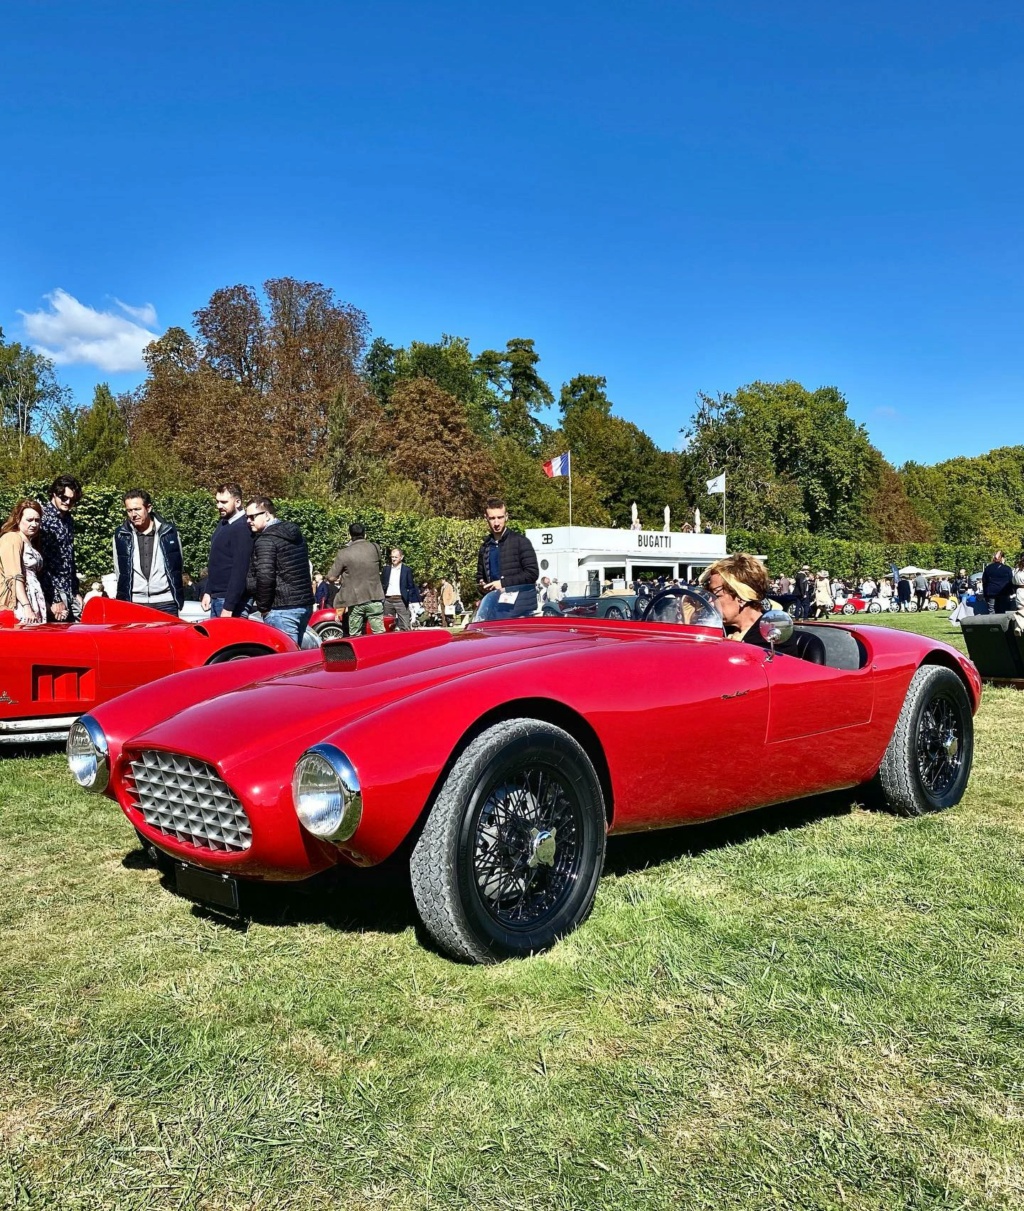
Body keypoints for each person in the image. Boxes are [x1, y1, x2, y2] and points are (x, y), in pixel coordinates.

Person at [244, 497, 314, 644]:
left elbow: (265, 577)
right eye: (246, 517)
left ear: (267, 515)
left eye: (252, 517)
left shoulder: (265, 540)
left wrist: (263, 608)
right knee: (297, 655)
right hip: (303, 604)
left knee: (286, 659)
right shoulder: (296, 536)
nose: (248, 521)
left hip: (281, 608)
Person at [113, 490, 184, 616]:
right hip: (134, 603)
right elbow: (119, 570)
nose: (133, 514)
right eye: (129, 510)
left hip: (166, 602)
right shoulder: (120, 535)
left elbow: (177, 565)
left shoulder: (169, 532)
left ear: (149, 508)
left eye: (137, 509)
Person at [476, 497, 539, 614]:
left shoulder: (521, 542)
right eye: (492, 518)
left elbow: (532, 573)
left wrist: (503, 584)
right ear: (486, 519)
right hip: (495, 609)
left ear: (506, 517)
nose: (496, 523)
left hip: (520, 609)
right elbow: (480, 576)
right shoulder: (485, 547)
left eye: (500, 517)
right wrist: (482, 584)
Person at [201, 482, 254, 618]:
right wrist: (208, 591)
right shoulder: (224, 523)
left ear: (237, 502)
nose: (219, 506)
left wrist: (229, 606)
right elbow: (217, 562)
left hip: (232, 601)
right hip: (218, 597)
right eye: (217, 501)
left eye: (224, 502)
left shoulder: (242, 528)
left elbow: (240, 569)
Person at [38, 474, 82, 622]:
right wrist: (54, 598)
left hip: (68, 588)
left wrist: (75, 590)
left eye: (72, 499)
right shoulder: (43, 519)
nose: (68, 502)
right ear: (54, 494)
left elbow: (69, 557)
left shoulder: (68, 519)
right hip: (51, 591)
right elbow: (42, 563)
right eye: (63, 498)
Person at [328, 522, 385, 636]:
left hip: (355, 600)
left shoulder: (344, 553)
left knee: (355, 635)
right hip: (375, 597)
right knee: (379, 634)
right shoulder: (375, 547)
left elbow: (331, 577)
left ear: (350, 535)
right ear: (365, 534)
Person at [699, 554, 771, 641]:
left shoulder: (772, 638)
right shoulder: (717, 630)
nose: (710, 601)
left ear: (741, 598)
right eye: (709, 594)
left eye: (716, 595)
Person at [0, 498, 47, 625]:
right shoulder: (12, 538)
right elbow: (14, 577)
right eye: (29, 520)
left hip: (33, 598)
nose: (34, 524)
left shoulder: (30, 542)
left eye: (37, 520)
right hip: (19, 602)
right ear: (18, 519)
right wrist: (26, 606)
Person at [382, 546, 419, 632]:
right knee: (387, 626)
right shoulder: (386, 569)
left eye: (396, 557)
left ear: (401, 557)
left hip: (401, 600)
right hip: (388, 600)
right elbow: (383, 584)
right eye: (392, 557)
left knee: (405, 625)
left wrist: (408, 598)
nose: (393, 559)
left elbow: (411, 586)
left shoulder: (407, 570)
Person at [982, 550, 1014, 614]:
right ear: (1002, 558)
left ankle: (992, 623)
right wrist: (1011, 592)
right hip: (1003, 592)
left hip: (991, 592)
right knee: (1002, 610)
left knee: (991, 609)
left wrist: (985, 594)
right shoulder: (1007, 568)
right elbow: (1011, 581)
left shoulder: (988, 568)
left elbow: (984, 581)